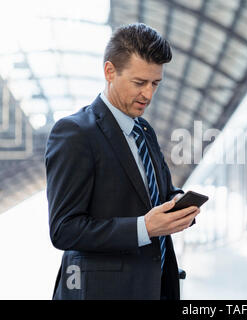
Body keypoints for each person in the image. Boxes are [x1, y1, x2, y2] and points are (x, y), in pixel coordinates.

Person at [45, 23, 200, 300]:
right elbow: (64, 230)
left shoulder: (144, 132)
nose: (149, 95)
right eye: (139, 83)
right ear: (109, 72)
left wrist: (179, 204)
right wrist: (145, 227)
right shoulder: (75, 133)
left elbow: (160, 193)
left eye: (155, 84)